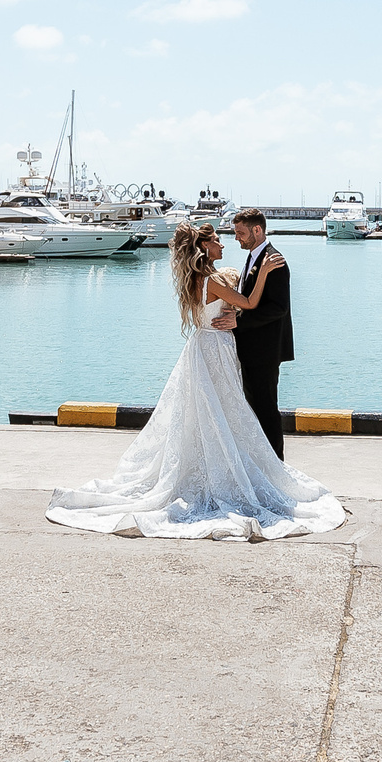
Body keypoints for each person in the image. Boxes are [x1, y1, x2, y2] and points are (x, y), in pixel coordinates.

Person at [45, 221, 345, 540]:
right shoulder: (212, 280)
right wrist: (265, 274)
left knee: (205, 411)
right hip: (216, 349)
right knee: (223, 410)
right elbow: (248, 303)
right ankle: (229, 471)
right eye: (216, 240)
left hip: (201, 346)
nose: (222, 244)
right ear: (204, 247)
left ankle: (209, 465)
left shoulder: (197, 279)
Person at [224, 207, 294, 458]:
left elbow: (278, 308)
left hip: (264, 349)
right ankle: (263, 463)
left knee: (266, 409)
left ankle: (276, 463)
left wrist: (238, 322)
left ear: (257, 230)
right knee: (254, 407)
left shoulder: (274, 261)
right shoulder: (255, 257)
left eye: (241, 233)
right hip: (252, 348)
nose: (236, 238)